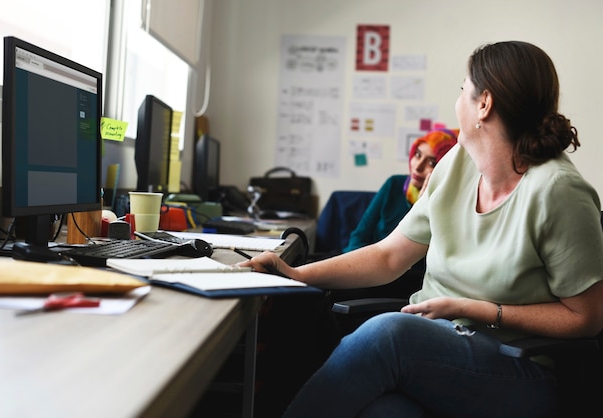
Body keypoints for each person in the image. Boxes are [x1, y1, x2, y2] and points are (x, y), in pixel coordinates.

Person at [240, 40, 603, 417]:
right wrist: (295, 275)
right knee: (382, 412)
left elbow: (586, 317)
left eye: (462, 89)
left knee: (388, 335)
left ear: (484, 104)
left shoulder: (558, 191)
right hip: (436, 357)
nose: (457, 100)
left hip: (515, 370)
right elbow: (388, 255)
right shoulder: (457, 165)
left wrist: (477, 309)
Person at [344, 128, 458, 253]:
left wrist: (421, 207)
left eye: (432, 163)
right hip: (372, 263)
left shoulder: (449, 203)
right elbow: (359, 236)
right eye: (418, 155)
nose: (418, 167)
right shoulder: (394, 184)